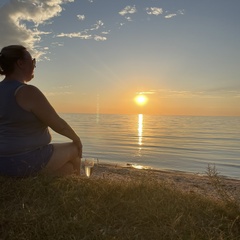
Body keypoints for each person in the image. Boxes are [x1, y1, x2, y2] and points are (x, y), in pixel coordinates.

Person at [0, 45, 82, 177]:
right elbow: (58, 124)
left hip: (2, 162)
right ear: (20, 63)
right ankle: (79, 181)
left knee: (67, 168)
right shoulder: (27, 91)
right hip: (23, 161)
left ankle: (65, 177)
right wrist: (77, 140)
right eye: (32, 61)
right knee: (74, 148)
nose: (34, 66)